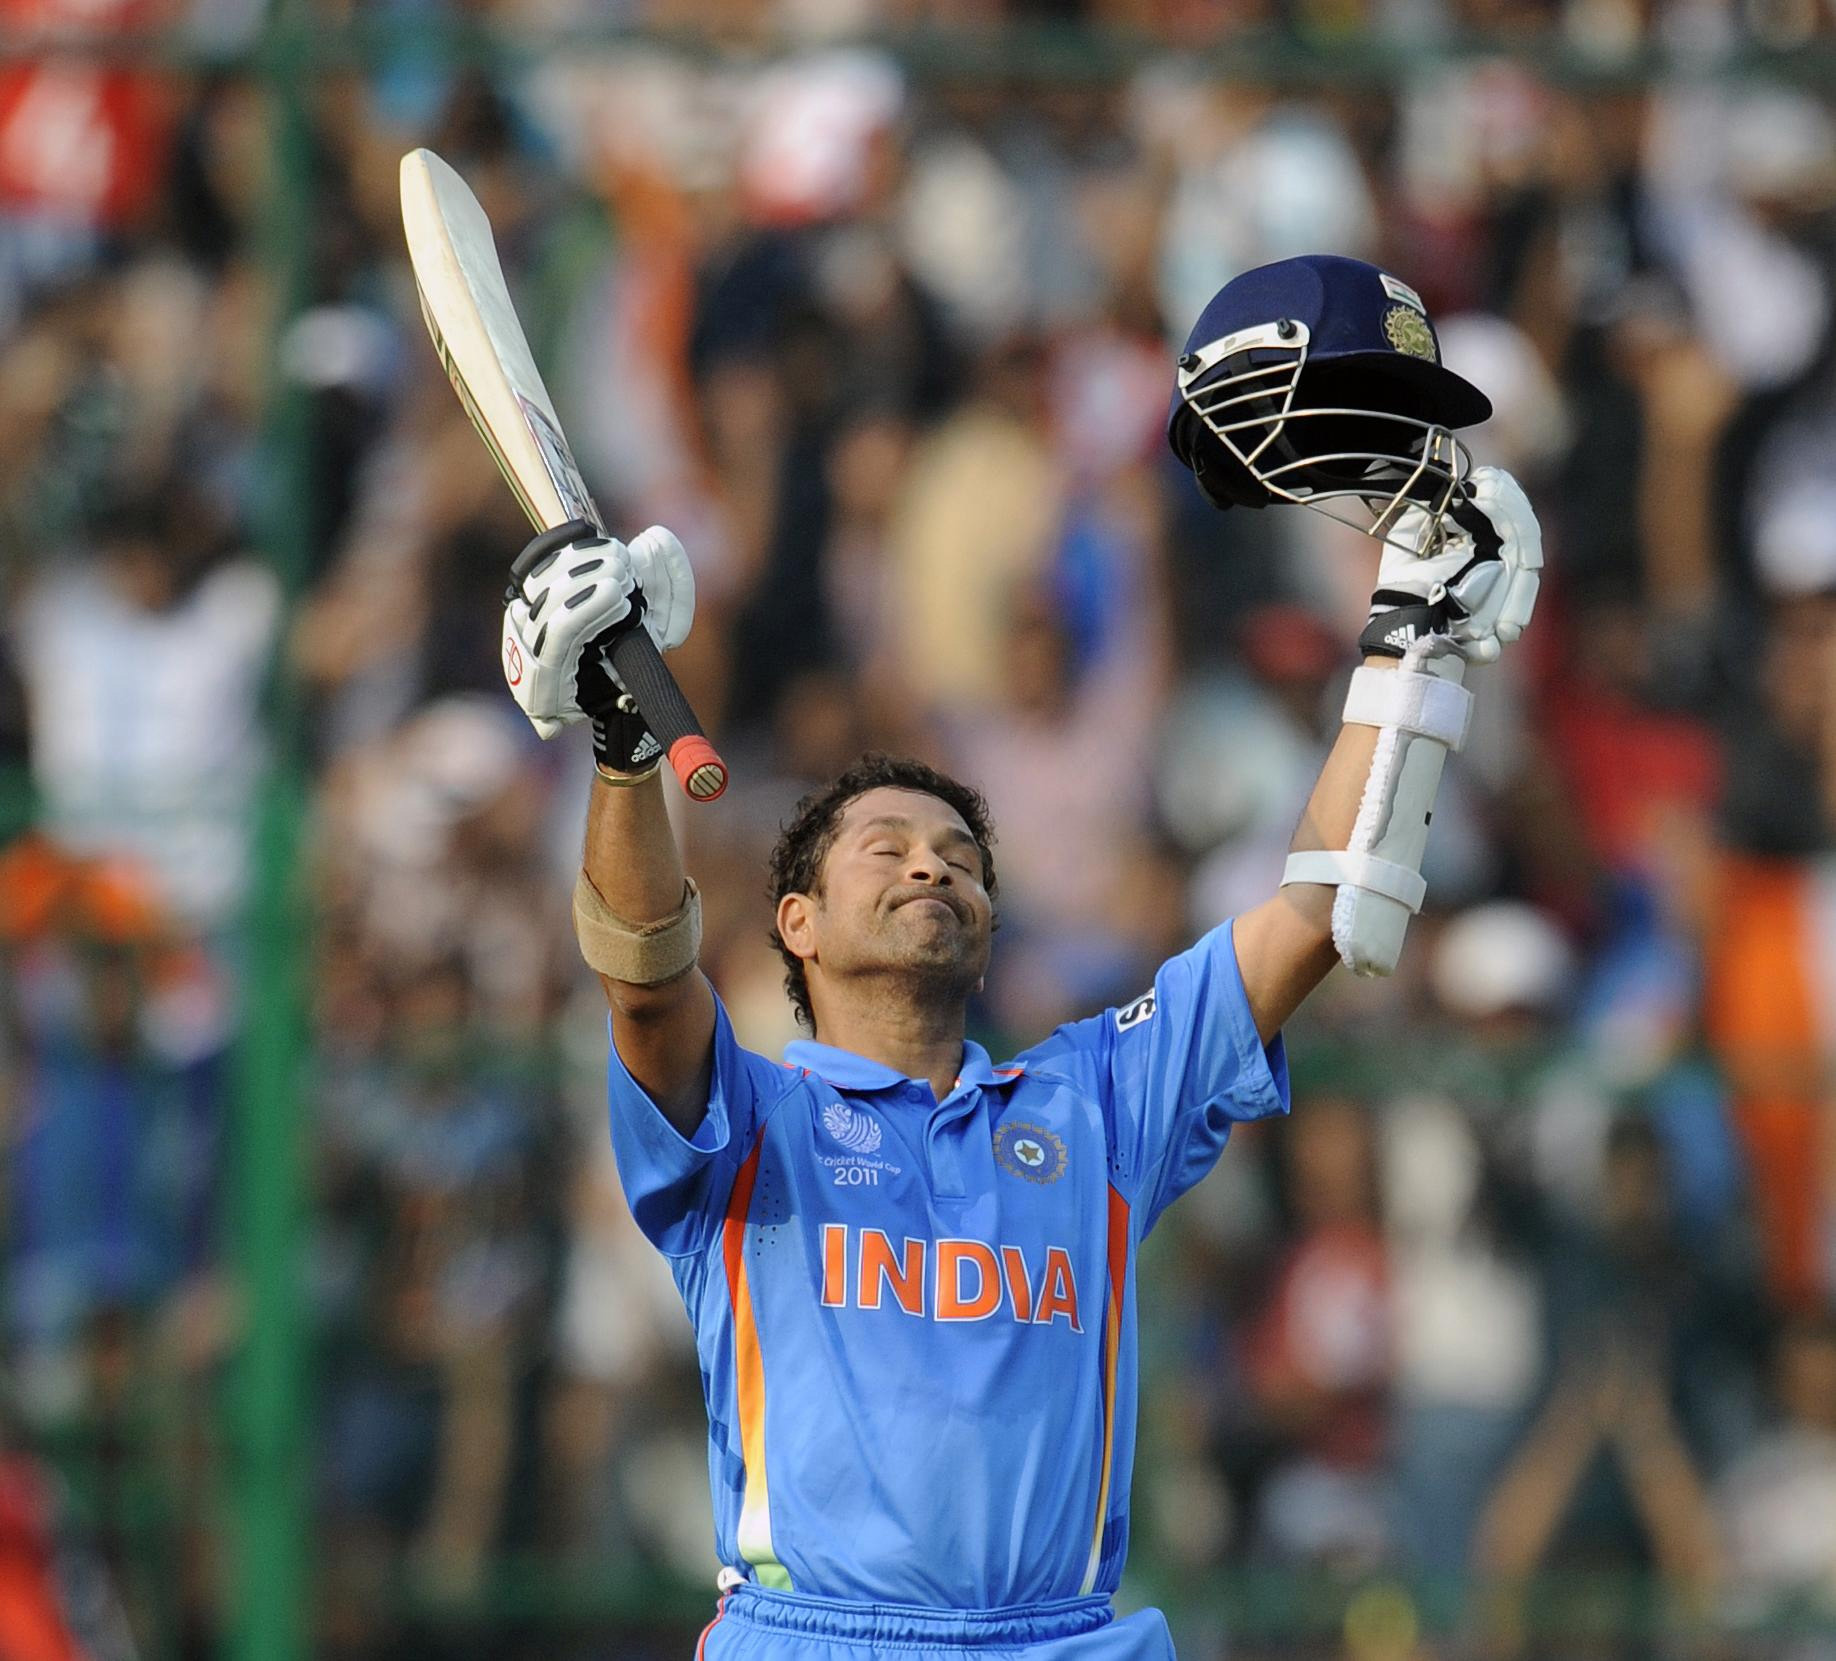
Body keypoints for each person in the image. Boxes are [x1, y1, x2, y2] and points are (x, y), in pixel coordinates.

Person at [496, 255, 1541, 1659]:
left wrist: (1417, 642)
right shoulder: (750, 1127)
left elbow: (1319, 910)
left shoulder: (1095, 1102)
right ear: (793, 924)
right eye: (884, 845)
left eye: (957, 852)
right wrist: (625, 752)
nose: (931, 860)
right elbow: (641, 969)